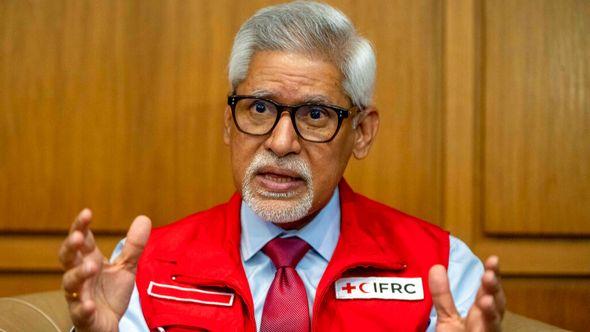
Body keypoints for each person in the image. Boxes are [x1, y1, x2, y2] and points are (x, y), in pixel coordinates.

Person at [59, 1, 505, 331]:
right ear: (228, 124)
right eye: (258, 109)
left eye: (315, 115)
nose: (281, 142)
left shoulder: (442, 269)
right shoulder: (145, 268)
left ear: (362, 133)